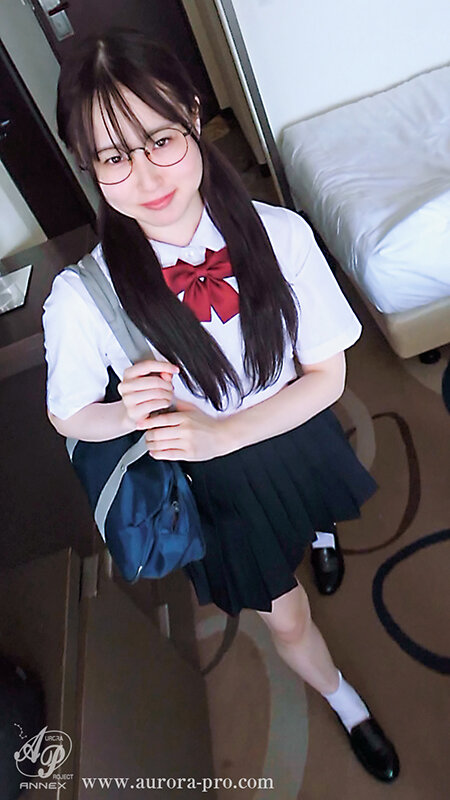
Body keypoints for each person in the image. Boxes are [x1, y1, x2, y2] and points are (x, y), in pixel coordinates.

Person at [42, 29, 399, 783]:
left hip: (291, 424)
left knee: (317, 509)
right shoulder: (81, 298)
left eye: (160, 139)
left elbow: (326, 377)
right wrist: (130, 414)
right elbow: (68, 415)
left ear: (194, 116)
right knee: (288, 619)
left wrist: (224, 431)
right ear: (88, 165)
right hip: (215, 486)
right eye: (114, 156)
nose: (146, 176)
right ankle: (346, 702)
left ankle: (322, 537)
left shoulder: (280, 235)